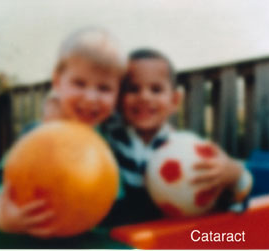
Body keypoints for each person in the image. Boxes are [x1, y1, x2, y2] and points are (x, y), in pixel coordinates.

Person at [0, 28, 127, 238]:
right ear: (57, 82)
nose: (91, 97)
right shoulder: (37, 137)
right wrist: (4, 219)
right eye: (79, 83)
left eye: (104, 89)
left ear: (117, 93)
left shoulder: (114, 137)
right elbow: (3, 187)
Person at [102, 48, 253, 225]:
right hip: (118, 237)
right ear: (118, 99)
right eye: (133, 89)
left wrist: (234, 176)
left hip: (166, 235)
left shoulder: (187, 150)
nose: (144, 97)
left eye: (156, 90)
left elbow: (238, 202)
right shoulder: (109, 139)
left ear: (174, 100)